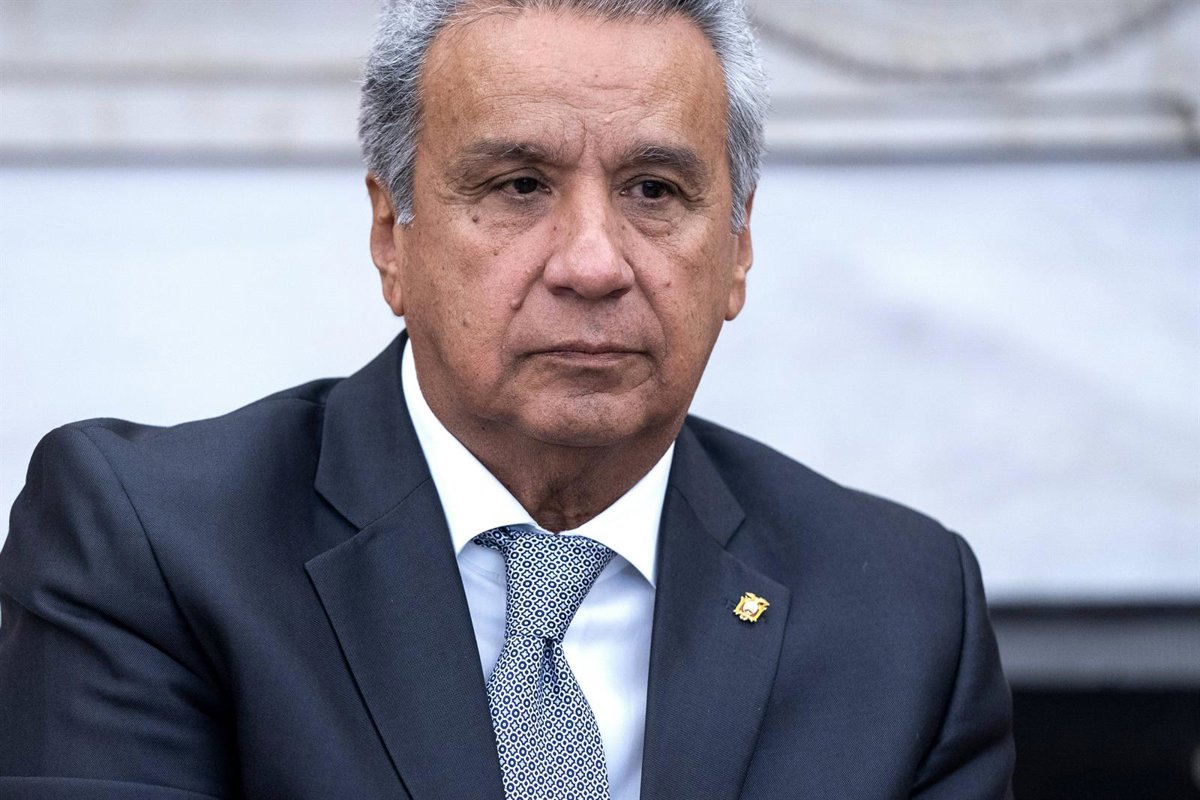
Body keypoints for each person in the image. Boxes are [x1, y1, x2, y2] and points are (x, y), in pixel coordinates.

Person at [0, 1, 1014, 798]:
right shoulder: (154, 546)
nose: (592, 264)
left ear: (737, 249)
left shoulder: (904, 611)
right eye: (520, 185)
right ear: (391, 236)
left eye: (655, 190)